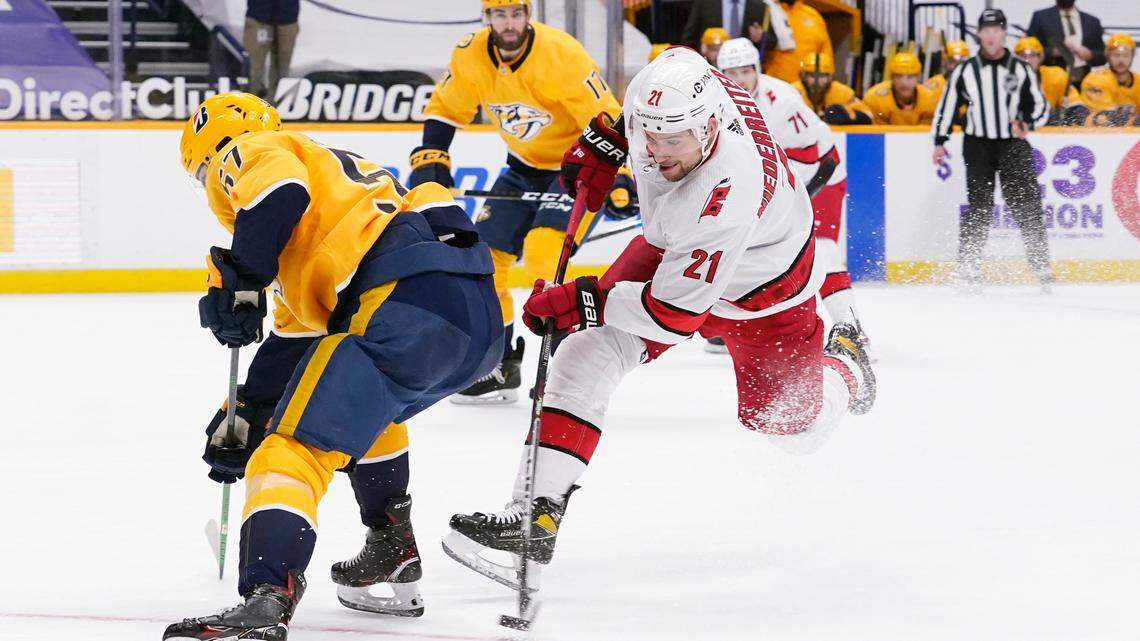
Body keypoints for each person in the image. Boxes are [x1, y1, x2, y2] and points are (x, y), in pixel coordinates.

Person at [440, 46, 877, 591]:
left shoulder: (727, 192)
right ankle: (535, 515)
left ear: (711, 126)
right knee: (585, 351)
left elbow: (671, 315)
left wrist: (583, 301)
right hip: (675, 247)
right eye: (649, 134)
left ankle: (845, 367)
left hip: (765, 289)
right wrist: (608, 139)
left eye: (672, 141)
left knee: (790, 429)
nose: (656, 151)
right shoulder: (673, 86)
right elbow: (649, 99)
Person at [163, 93, 503, 640]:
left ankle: (266, 598)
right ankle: (391, 547)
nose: (212, 182)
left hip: (402, 296)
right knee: (364, 407)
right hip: (473, 318)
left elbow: (278, 194)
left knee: (290, 447)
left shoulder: (250, 148)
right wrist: (247, 408)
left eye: (203, 170)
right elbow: (297, 339)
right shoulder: (333, 191)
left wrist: (241, 272)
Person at [408, 0, 627, 405]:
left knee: (545, 255)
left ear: (528, 15)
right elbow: (445, 108)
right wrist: (432, 155)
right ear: (487, 18)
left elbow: (609, 117)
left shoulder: (562, 54)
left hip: (576, 166)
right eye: (500, 15)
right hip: (522, 165)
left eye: (516, 14)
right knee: (485, 263)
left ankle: (564, 369)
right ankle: (500, 365)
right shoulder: (470, 54)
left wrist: (621, 175)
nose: (509, 23)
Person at [716, 37, 870, 353]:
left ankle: (851, 328)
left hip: (820, 179)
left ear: (757, 69)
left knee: (823, 249)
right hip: (779, 185)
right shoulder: (715, 104)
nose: (740, 80)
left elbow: (817, 160)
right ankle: (730, 323)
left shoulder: (782, 101)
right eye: (732, 73)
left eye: (746, 71)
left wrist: (789, 205)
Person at [932, 9, 1053, 292]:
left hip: (1012, 144)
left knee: (1027, 203)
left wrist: (1029, 123)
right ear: (980, 34)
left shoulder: (1021, 69)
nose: (991, 35)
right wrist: (939, 141)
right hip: (977, 145)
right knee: (979, 205)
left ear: (1003, 32)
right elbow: (947, 106)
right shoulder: (965, 70)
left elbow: (1041, 106)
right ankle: (969, 264)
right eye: (986, 29)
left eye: (996, 29)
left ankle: (1040, 263)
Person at [1026, 0, 1105, 86]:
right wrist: (1054, 51)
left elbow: (1103, 56)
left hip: (1083, 84)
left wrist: (1090, 55)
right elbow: (1028, 51)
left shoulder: (1092, 22)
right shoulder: (1041, 17)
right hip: (1050, 83)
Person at [1071, 33, 1140, 126]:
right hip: (1092, 135)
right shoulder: (1096, 79)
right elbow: (1106, 119)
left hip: (1125, 135)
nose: (1121, 60)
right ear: (1108, 56)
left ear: (1132, 56)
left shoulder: (1138, 81)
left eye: (1126, 55)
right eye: (1116, 55)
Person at [762, 0, 833, 83]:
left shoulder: (814, 16)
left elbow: (826, 53)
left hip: (806, 89)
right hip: (772, 85)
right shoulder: (767, 9)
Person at [793, 52, 872, 124]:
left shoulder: (843, 93)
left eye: (822, 75)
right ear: (803, 76)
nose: (817, 81)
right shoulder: (792, 91)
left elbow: (868, 116)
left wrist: (846, 116)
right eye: (812, 75)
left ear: (831, 77)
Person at [863, 52, 939, 125]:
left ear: (918, 78)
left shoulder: (930, 99)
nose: (904, 83)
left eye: (910, 77)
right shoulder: (875, 98)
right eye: (898, 76)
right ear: (891, 77)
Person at [243, 0, 299, 100]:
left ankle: (276, 105)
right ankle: (248, 104)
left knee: (282, 69)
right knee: (253, 67)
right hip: (258, 16)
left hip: (288, 16)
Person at [1015, 36, 1079, 122]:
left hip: (1049, 132)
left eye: (1032, 55)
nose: (1027, 61)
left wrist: (1065, 114)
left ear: (1040, 57)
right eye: (1023, 56)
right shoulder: (1007, 80)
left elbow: (1076, 105)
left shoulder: (1056, 75)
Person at [680, 0, 784, 53]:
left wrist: (761, 37)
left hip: (744, 71)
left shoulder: (760, 6)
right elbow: (688, 38)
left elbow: (773, 41)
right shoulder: (704, 3)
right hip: (710, 71)